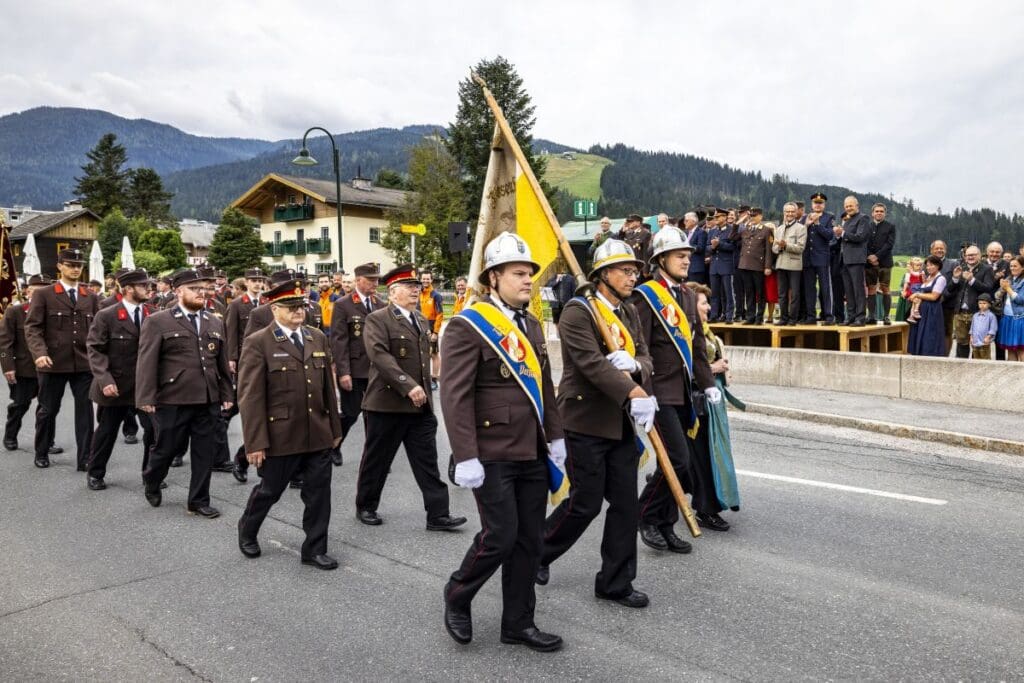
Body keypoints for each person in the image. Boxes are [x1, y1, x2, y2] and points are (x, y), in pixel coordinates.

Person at [441, 232, 564, 652]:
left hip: (531, 448)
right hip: (490, 451)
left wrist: (557, 435)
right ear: (493, 278)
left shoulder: (530, 322)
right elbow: (454, 396)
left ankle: (518, 622)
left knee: (530, 539)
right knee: (501, 535)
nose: (528, 280)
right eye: (518, 273)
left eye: (529, 272)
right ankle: (458, 593)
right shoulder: (467, 325)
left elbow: (545, 384)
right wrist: (465, 456)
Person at [537, 239, 655, 609]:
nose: (631, 277)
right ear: (603, 274)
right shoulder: (577, 312)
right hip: (584, 420)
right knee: (585, 504)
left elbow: (646, 356)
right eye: (624, 270)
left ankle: (615, 581)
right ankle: (537, 551)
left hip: (618, 424)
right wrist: (632, 392)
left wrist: (636, 368)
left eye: (634, 271)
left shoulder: (630, 311)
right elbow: (590, 365)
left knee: (625, 504)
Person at [236, 274, 343, 570]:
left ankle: (314, 549)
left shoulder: (316, 336)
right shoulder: (259, 342)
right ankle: (248, 528)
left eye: (302, 306)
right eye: (291, 306)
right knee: (270, 491)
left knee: (319, 495)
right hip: (281, 433)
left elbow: (327, 390)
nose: (299, 311)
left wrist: (335, 430)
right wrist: (255, 442)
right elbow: (250, 397)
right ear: (274, 309)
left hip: (318, 433)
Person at [355, 264, 466, 531]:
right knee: (377, 461)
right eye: (409, 287)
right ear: (392, 292)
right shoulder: (378, 319)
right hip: (388, 404)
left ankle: (438, 514)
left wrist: (428, 387)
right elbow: (380, 356)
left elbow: (425, 360)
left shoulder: (421, 319)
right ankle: (366, 506)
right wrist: (408, 385)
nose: (415, 291)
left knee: (427, 462)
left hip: (420, 407)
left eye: (417, 287)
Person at [634, 227, 716, 554]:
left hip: (683, 392)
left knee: (678, 465)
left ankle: (665, 525)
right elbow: (639, 348)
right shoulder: (646, 295)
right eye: (680, 255)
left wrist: (708, 384)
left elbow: (695, 345)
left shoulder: (685, 295)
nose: (686, 260)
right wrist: (645, 391)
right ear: (662, 259)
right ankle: (645, 514)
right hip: (659, 394)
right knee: (678, 461)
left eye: (688, 255)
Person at [136, 268, 234, 517]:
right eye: (195, 288)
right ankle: (152, 478)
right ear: (178, 291)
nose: (202, 293)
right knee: (166, 448)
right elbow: (147, 362)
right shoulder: (159, 321)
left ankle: (199, 500)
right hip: (174, 398)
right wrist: (145, 397)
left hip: (207, 398)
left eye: (204, 288)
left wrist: (227, 393)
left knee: (204, 452)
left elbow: (220, 362)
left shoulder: (215, 321)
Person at [24, 248, 99, 470]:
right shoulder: (44, 294)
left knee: (85, 412)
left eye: (79, 265)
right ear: (60, 266)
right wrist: (39, 354)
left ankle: (85, 458)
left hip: (83, 363)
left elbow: (97, 330)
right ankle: (42, 450)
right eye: (70, 265)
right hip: (52, 362)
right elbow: (33, 327)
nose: (75, 269)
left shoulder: (91, 297)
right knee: (48, 409)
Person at [83, 269, 156, 490]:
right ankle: (95, 473)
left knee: (153, 431)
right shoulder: (107, 315)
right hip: (115, 385)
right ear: (128, 289)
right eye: (144, 286)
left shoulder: (153, 314)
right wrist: (105, 380)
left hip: (143, 387)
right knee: (107, 432)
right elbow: (95, 349)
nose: (149, 290)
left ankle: (150, 474)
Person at [687, 282, 737, 530]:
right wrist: (713, 369)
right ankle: (705, 510)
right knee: (701, 457)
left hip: (711, 401)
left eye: (707, 301)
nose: (708, 306)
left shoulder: (704, 330)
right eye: (703, 302)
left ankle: (666, 488)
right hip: (695, 401)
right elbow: (683, 368)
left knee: (701, 456)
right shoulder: (686, 332)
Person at [330, 262, 382, 449]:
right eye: (371, 280)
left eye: (377, 280)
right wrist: (343, 372)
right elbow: (339, 341)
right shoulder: (343, 304)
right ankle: (334, 445)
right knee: (351, 413)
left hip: (376, 370)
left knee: (375, 414)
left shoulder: (380, 304)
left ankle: (373, 455)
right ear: (358, 280)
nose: (375, 283)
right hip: (353, 369)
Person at [224, 268, 268, 479]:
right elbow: (231, 332)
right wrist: (232, 358)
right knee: (249, 408)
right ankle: (242, 458)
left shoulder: (268, 304)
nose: (258, 284)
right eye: (254, 281)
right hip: (246, 361)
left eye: (260, 281)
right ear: (247, 282)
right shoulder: (236, 305)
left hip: (270, 362)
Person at [1, 275, 48, 451]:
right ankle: (11, 434)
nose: (39, 294)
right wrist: (8, 367)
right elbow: (5, 342)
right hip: (24, 368)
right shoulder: (15, 312)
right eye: (35, 290)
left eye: (43, 291)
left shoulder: (51, 312)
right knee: (21, 404)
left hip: (48, 368)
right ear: (27, 291)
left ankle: (45, 441)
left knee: (47, 408)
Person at [946, 245, 994, 358]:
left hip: (977, 313)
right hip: (960, 313)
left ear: (979, 256)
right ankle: (961, 370)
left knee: (978, 345)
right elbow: (949, 289)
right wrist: (955, 278)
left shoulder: (986, 269)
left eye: (973, 255)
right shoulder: (960, 267)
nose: (970, 257)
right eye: (968, 255)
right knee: (961, 343)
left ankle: (977, 371)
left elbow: (988, 288)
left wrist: (972, 280)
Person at [833, 196, 871, 327]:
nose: (848, 208)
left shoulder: (863, 218)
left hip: (856, 259)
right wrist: (839, 235)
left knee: (858, 290)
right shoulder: (848, 221)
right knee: (848, 291)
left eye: (851, 206)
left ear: (857, 205)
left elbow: (860, 237)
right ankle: (851, 317)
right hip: (844, 260)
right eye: (846, 206)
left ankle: (860, 318)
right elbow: (845, 239)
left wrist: (842, 233)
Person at [801, 193, 835, 324]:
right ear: (812, 204)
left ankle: (828, 315)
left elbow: (829, 236)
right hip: (807, 258)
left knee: (825, 288)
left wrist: (818, 224)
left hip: (822, 258)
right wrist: (807, 225)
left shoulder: (829, 217)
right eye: (815, 203)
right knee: (809, 288)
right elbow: (800, 235)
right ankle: (810, 316)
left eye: (820, 203)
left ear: (824, 205)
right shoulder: (805, 217)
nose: (818, 205)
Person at [772, 203, 807, 326]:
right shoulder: (779, 228)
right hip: (781, 264)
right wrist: (779, 247)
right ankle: (783, 318)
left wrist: (785, 245)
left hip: (794, 265)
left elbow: (800, 248)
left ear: (796, 213)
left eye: (792, 211)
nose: (790, 214)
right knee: (782, 294)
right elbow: (774, 249)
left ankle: (793, 319)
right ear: (784, 213)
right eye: (787, 212)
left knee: (795, 294)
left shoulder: (801, 228)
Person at [906, 256, 948, 357]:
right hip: (921, 311)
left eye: (931, 265)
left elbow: (934, 296)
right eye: (927, 266)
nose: (929, 268)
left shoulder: (941, 278)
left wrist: (917, 295)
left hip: (932, 311)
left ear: (938, 266)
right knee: (919, 335)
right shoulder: (928, 278)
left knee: (929, 335)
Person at [737, 208, 773, 324]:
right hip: (745, 265)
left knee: (760, 293)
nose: (752, 217)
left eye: (754, 215)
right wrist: (739, 222)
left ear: (761, 216)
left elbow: (768, 250)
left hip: (758, 265)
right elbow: (732, 236)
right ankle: (750, 317)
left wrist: (768, 266)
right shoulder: (746, 229)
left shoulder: (766, 230)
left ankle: (759, 317)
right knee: (749, 292)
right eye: (751, 215)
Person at [865, 203, 896, 325]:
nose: (879, 213)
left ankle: (886, 316)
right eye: (877, 211)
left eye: (881, 211)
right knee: (871, 289)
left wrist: (876, 256)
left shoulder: (890, 226)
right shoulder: (867, 226)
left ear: (885, 213)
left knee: (885, 288)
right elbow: (863, 243)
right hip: (869, 263)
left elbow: (889, 244)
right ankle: (871, 316)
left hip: (885, 262)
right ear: (872, 213)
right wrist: (869, 256)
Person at [707, 208, 735, 322]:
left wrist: (719, 244)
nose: (716, 219)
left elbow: (733, 247)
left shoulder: (731, 230)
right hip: (714, 266)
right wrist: (712, 247)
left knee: (728, 293)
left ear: (725, 217)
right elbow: (707, 247)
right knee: (714, 293)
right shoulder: (712, 231)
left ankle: (729, 316)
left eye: (718, 217)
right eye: (715, 217)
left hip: (726, 265)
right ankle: (714, 315)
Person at [418, 271, 444, 390]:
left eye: (427, 279)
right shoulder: (418, 293)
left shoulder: (436, 295)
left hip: (432, 326)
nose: (425, 281)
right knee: (422, 353)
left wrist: (436, 332)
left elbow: (440, 315)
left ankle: (434, 380)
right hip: (419, 326)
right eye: (423, 279)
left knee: (434, 354)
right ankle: (424, 379)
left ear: (431, 280)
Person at [995, 256, 1024, 361]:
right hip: (1007, 317)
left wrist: (1008, 288)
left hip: (1020, 319)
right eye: (1011, 266)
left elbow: (1021, 300)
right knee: (1010, 349)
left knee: (1021, 350)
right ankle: (1013, 376)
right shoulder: (1009, 279)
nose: (1012, 268)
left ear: (1022, 267)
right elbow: (997, 296)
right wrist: (1002, 289)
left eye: (1015, 266)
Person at [682, 211, 708, 285]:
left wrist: (687, 245)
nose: (684, 222)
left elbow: (700, 248)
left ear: (693, 221)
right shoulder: (685, 233)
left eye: (686, 220)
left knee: (696, 292)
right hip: (686, 268)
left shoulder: (701, 232)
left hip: (696, 269)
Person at [969, 294, 998, 360]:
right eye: (980, 303)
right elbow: (972, 327)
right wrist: (971, 337)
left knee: (985, 359)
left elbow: (993, 329)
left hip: (984, 343)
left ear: (989, 304)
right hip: (975, 342)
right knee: (976, 359)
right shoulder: (975, 315)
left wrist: (988, 337)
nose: (982, 305)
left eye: (984, 303)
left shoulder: (991, 316)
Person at [896, 257, 925, 322]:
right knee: (914, 302)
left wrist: (923, 277)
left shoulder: (922, 273)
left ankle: (913, 314)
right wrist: (903, 291)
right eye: (917, 265)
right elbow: (905, 284)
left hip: (919, 291)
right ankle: (912, 314)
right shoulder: (908, 274)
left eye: (920, 265)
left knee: (916, 302)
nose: (919, 267)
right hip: (912, 291)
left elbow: (924, 282)